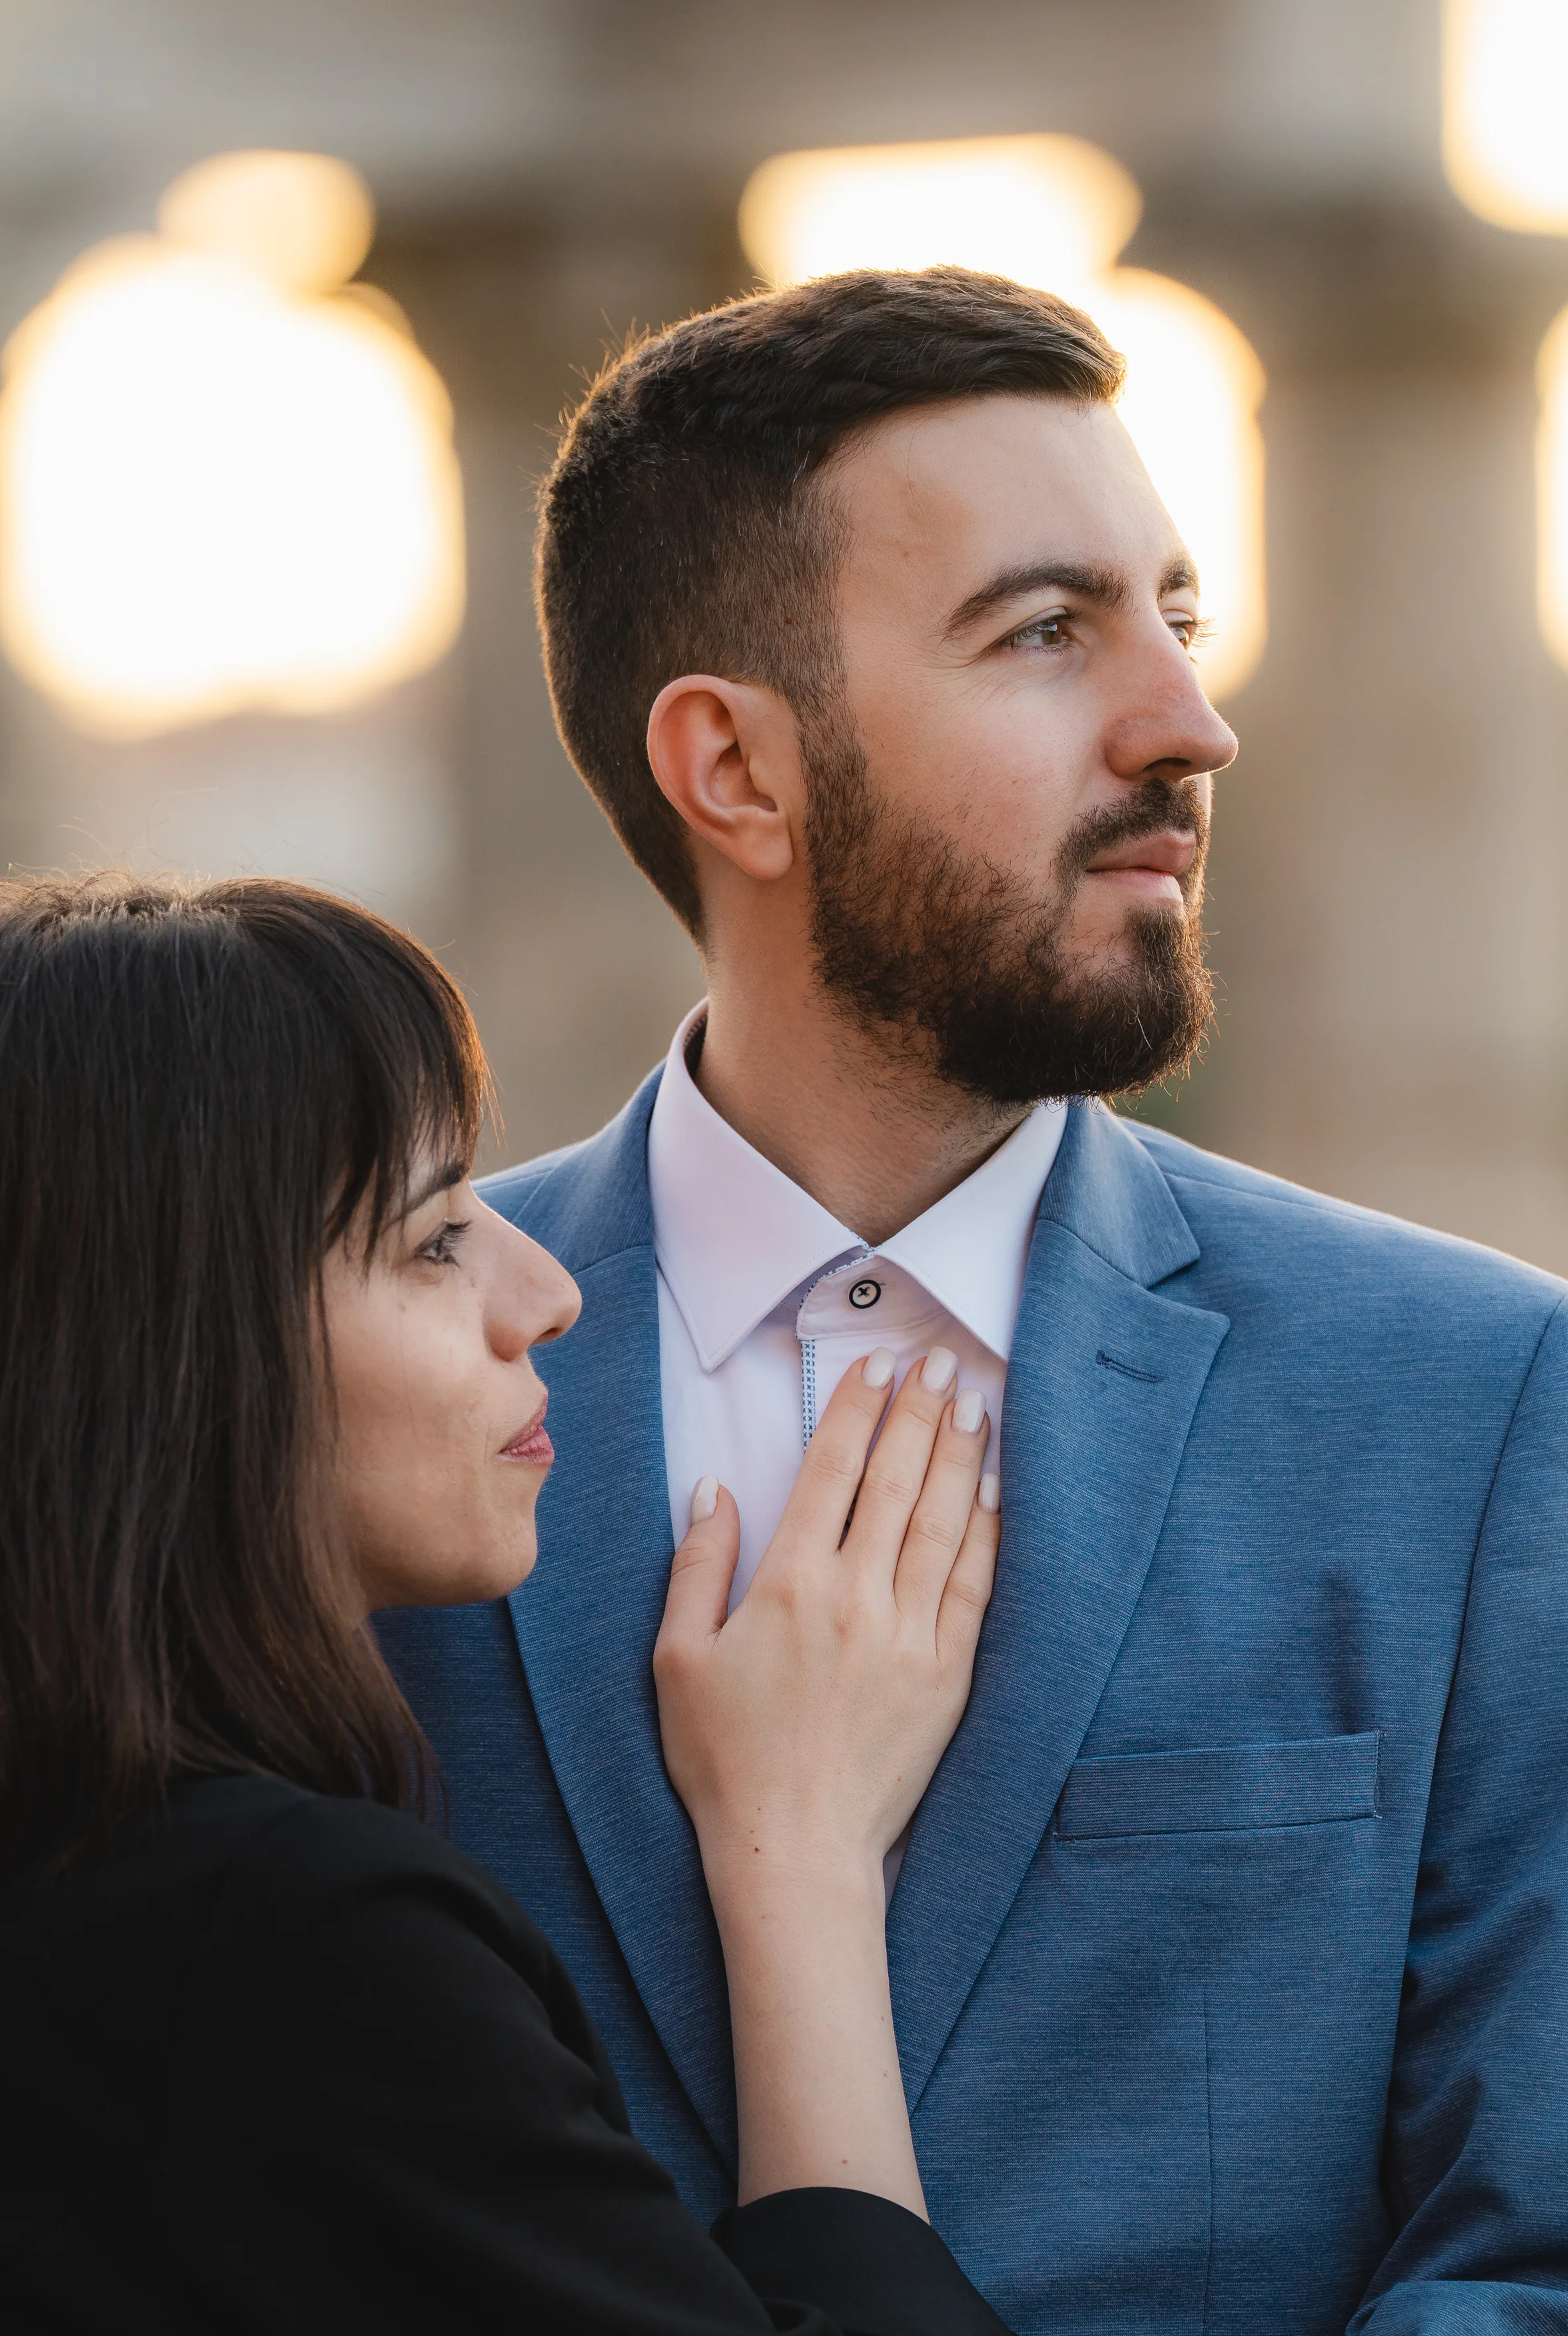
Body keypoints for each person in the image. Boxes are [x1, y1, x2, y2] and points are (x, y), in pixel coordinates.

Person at [378, 266, 1568, 2331]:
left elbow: (1532, 2258)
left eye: (1177, 617)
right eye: (1045, 632)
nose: (1188, 723)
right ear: (735, 768)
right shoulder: (348, 1398)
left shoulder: (1476, 1402)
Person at [0, 876, 1014, 2334]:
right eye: (433, 1238)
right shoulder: (284, 1950)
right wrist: (801, 1860)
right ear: (164, 1353)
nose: (547, 1291)